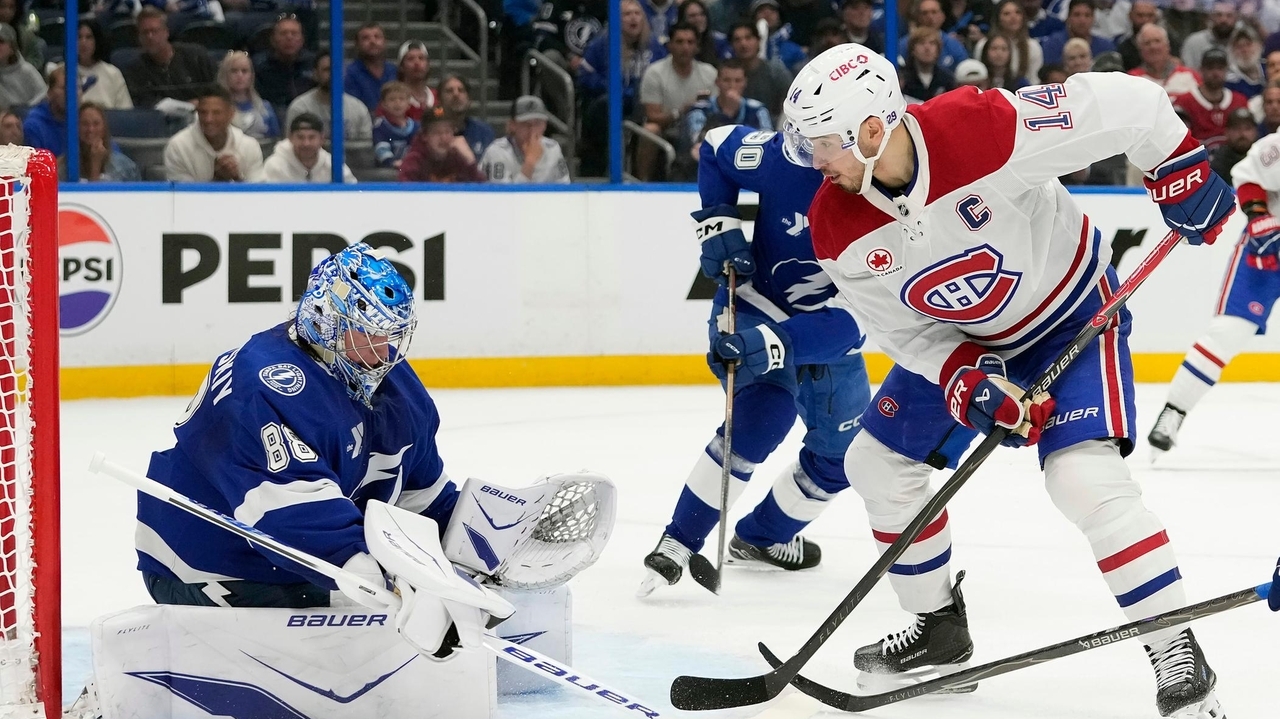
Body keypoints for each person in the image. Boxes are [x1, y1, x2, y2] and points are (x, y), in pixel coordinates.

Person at [781, 43, 1234, 717]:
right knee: (875, 462)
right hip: (968, 344)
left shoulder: (978, 127)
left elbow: (1128, 104)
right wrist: (964, 377)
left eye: (823, 145)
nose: (815, 162)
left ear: (873, 130)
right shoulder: (835, 223)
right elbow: (899, 331)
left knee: (1081, 478)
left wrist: (1177, 164)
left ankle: (1175, 646)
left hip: (1070, 316)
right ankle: (938, 630)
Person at [639, 123, 881, 595]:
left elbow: (853, 322)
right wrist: (718, 223)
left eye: (827, 147)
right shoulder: (781, 156)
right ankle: (678, 541)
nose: (816, 161)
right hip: (758, 301)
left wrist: (777, 344)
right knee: (763, 415)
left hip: (831, 330)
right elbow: (713, 146)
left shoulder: (895, 208)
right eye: (810, 145)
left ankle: (762, 539)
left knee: (842, 457)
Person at [136, 243, 446, 609]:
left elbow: (421, 498)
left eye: (390, 336)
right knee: (365, 633)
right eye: (366, 334)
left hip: (306, 565)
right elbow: (288, 516)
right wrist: (381, 582)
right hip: (208, 566)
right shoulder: (263, 385)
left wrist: (474, 544)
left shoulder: (389, 381)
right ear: (325, 320)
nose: (382, 352)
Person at [1148, 127, 1280, 458]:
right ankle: (1173, 413)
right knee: (1227, 332)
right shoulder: (1274, 147)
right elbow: (1247, 174)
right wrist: (1258, 215)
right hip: (1268, 253)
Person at [164, 85, 264, 182]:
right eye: (203, 112)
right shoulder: (178, 147)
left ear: (231, 114)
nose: (209, 119)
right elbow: (182, 197)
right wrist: (217, 179)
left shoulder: (250, 146)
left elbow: (258, 196)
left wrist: (236, 177)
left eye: (216, 113)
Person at [124, 7, 218, 108]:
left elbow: (217, 89)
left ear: (166, 32)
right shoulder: (135, 70)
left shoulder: (196, 56)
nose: (150, 37)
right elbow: (144, 104)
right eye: (145, 33)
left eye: (154, 31)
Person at [681, 59, 772, 155]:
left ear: (745, 83)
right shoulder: (700, 109)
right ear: (717, 82)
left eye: (738, 81)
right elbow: (699, 143)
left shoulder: (757, 110)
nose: (732, 86)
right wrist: (726, 113)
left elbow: (768, 144)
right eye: (726, 80)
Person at [285, 51, 372, 142]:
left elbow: (365, 148)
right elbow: (290, 145)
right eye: (327, 70)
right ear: (315, 74)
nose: (332, 74)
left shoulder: (358, 108)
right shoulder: (300, 107)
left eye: (337, 70)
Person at [480, 95, 570, 183]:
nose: (532, 131)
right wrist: (529, 163)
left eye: (538, 123)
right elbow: (504, 196)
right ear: (512, 125)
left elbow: (565, 189)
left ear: (545, 125)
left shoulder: (553, 149)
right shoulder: (497, 151)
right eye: (525, 124)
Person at [1173, 48, 1247, 149]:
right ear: (1201, 70)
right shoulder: (1184, 102)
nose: (1215, 73)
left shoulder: (1239, 101)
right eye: (1210, 68)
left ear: (1227, 70)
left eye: (1220, 68)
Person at [262, 112, 357, 183]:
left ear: (322, 139)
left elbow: (353, 193)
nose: (306, 143)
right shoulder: (274, 166)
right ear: (290, 138)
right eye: (300, 137)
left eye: (311, 137)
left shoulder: (332, 165)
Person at [399, 107, 486, 182]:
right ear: (425, 136)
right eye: (437, 132)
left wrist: (470, 160)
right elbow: (405, 193)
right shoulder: (414, 161)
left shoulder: (459, 158)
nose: (444, 138)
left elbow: (482, 190)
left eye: (447, 132)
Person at [59, 101, 141, 182]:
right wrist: (95, 165)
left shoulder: (125, 167)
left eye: (96, 124)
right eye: (84, 124)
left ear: (104, 127)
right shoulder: (64, 167)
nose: (90, 129)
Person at [728, 22, 793, 117]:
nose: (743, 44)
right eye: (737, 40)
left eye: (748, 38)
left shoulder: (776, 72)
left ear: (758, 40)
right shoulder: (727, 74)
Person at [252, 13, 316, 109]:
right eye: (283, 33)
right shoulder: (258, 66)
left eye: (294, 33)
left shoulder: (313, 64)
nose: (289, 38)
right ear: (273, 40)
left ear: (302, 40)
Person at [975, 0, 1042, 88]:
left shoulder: (1033, 46)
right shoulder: (983, 45)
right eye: (1006, 14)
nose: (1013, 17)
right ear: (998, 18)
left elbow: (1034, 81)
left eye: (1018, 12)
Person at [219, 51, 280, 140]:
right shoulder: (217, 109)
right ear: (225, 75)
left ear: (251, 75)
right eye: (234, 71)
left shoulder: (265, 108)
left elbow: (276, 139)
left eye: (244, 71)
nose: (240, 75)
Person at [1128, 23, 1199, 97]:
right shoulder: (1132, 79)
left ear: (1167, 46)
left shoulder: (1189, 75)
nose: (1153, 47)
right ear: (1140, 50)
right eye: (1147, 43)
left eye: (1157, 41)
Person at [898, 0, 969, 72]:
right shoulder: (904, 44)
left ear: (943, 16)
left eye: (934, 12)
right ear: (917, 17)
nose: (930, 17)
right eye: (925, 13)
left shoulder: (954, 45)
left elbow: (964, 69)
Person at [77, 19, 133, 110]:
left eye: (89, 37)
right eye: (79, 37)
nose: (83, 42)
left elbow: (125, 113)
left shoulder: (113, 73)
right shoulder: (62, 72)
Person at [1039, 0, 1116, 64]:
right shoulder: (1053, 44)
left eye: (1087, 15)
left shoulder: (1106, 47)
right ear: (1068, 17)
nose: (1082, 20)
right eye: (1077, 15)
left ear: (1093, 19)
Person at [438, 74, 494, 159]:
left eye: (461, 90)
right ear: (439, 100)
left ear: (469, 100)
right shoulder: (427, 132)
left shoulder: (484, 132)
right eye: (449, 91)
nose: (456, 94)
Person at [345, 22, 398, 110]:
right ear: (357, 45)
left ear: (385, 42)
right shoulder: (349, 74)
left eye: (377, 37)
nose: (372, 41)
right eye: (365, 38)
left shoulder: (394, 71)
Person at [750, 0, 807, 72]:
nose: (767, 14)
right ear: (754, 18)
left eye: (772, 10)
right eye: (761, 10)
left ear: (779, 17)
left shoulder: (794, 50)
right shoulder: (742, 46)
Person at [901, 26, 956, 101]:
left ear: (938, 50)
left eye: (932, 43)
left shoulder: (947, 79)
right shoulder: (902, 78)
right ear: (912, 49)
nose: (927, 48)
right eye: (921, 43)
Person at [372, 81, 419, 169]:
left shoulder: (416, 126)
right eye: (392, 99)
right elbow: (381, 148)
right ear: (383, 104)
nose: (397, 103)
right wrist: (392, 162)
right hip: (386, 174)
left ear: (409, 104)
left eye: (401, 99)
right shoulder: (380, 126)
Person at [22, 66, 66, 156]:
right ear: (50, 92)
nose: (72, 93)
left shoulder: (85, 122)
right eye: (64, 88)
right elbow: (37, 168)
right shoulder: (34, 125)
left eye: (77, 87)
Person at [1181, 1, 1236, 72]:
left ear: (1236, 19)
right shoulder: (1194, 42)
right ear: (1211, 17)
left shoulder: (1242, 44)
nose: (1224, 20)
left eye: (1229, 16)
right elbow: (1187, 73)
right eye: (1219, 15)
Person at [0, 25, 45, 110]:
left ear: (12, 48)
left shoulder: (27, 70)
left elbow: (42, 94)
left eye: (1, 42)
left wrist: (26, 109)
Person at [1210, 107, 1257, 183]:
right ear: (1226, 132)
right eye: (1236, 128)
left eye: (1247, 128)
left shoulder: (1262, 154)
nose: (1242, 133)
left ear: (1255, 131)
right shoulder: (1220, 160)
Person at [391, 40, 435, 120]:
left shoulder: (437, 97)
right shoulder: (392, 99)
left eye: (421, 58)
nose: (417, 63)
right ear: (401, 67)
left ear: (428, 65)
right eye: (410, 59)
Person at [679, 0, 731, 65]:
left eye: (702, 14)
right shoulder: (676, 45)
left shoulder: (720, 42)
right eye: (692, 16)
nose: (699, 19)